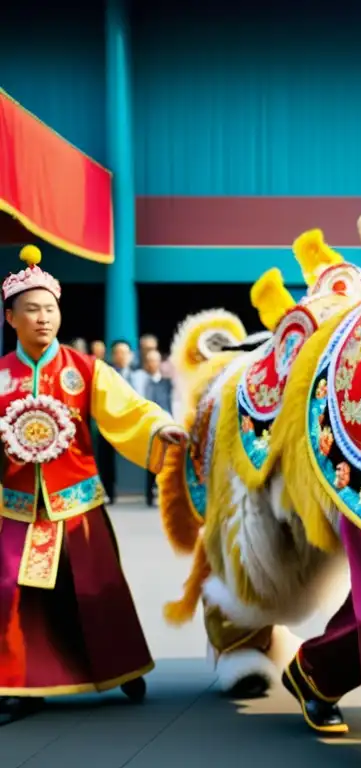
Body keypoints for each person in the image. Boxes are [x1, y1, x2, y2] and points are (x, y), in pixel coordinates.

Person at [0, 247, 187, 726]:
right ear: (11, 317)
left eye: (50, 309)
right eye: (32, 311)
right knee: (14, 592)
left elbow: (128, 409)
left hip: (76, 502)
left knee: (96, 587)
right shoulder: (2, 375)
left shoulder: (85, 369)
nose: (43, 319)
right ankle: (21, 683)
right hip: (18, 507)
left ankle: (122, 667)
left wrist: (159, 427)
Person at [135, 348, 174, 507]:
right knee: (151, 460)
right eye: (149, 361)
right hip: (148, 427)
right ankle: (149, 494)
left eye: (155, 360)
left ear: (159, 362)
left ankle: (165, 493)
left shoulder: (168, 383)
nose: (152, 364)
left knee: (167, 461)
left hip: (167, 425)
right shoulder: (141, 382)